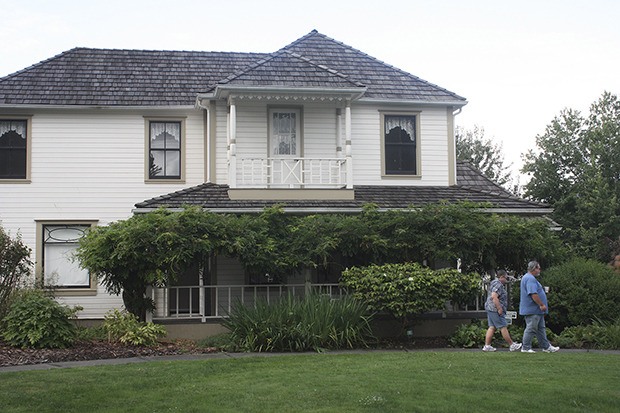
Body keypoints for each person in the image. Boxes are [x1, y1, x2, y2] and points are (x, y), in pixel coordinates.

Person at [519, 261, 560, 353]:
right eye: (538, 268)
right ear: (534, 268)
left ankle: (546, 347)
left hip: (536, 310)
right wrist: (541, 304)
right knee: (531, 328)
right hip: (533, 309)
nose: (539, 270)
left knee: (541, 328)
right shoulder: (530, 279)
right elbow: (533, 293)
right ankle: (525, 347)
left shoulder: (528, 278)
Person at [482, 270, 522, 352]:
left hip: (490, 308)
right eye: (505, 277)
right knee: (503, 326)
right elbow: (494, 296)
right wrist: (499, 308)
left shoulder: (493, 283)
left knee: (492, 327)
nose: (506, 279)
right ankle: (511, 345)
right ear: (501, 277)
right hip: (495, 309)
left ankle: (487, 345)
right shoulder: (498, 284)